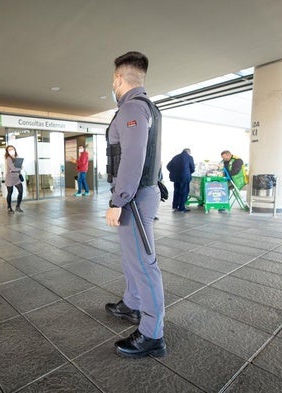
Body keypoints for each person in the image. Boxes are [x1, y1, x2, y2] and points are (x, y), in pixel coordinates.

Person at [104, 51, 166, 359]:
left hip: (134, 197)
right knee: (133, 259)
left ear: (118, 78)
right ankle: (132, 303)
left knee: (144, 265)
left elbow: (132, 157)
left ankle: (152, 334)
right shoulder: (148, 108)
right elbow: (149, 151)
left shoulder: (132, 108)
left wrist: (119, 201)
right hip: (138, 194)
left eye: (112, 79)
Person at [166, 148, 195, 212]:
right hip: (185, 178)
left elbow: (168, 166)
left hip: (176, 178)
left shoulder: (176, 157)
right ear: (188, 152)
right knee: (184, 192)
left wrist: (174, 172)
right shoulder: (189, 157)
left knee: (176, 192)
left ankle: (175, 206)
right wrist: (188, 173)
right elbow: (192, 168)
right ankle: (182, 208)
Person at [4, 145, 23, 213]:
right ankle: (9, 207)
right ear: (7, 151)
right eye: (9, 149)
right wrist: (20, 168)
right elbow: (13, 168)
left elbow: (17, 168)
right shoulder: (8, 158)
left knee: (20, 191)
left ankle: (18, 206)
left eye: (12, 149)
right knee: (10, 193)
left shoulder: (17, 157)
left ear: (14, 149)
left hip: (16, 177)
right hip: (10, 178)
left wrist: (19, 170)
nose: (11, 150)